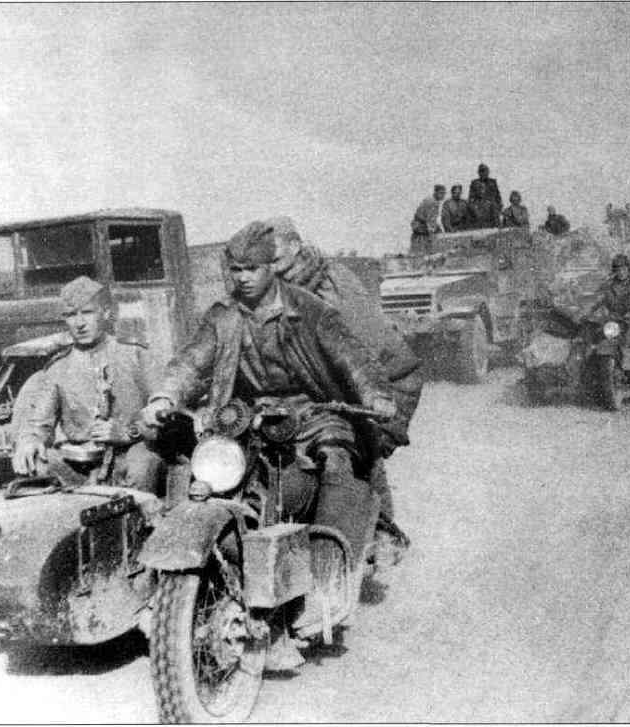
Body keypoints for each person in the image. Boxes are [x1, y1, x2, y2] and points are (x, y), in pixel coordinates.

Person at [141, 221, 400, 570]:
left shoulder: (310, 310)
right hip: (248, 415)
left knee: (335, 455)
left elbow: (352, 359)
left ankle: (332, 564)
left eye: (252, 269)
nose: (243, 278)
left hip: (314, 412)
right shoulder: (223, 316)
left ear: (271, 266)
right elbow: (190, 362)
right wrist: (164, 397)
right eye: (236, 270)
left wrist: (374, 395)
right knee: (206, 464)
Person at [265, 216, 423, 527]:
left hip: (381, 386)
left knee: (354, 455)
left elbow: (363, 356)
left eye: (275, 258)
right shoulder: (281, 287)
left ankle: (377, 536)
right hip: (331, 392)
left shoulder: (330, 287)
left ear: (296, 248)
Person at [12, 276, 164, 491]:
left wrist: (129, 432)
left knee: (144, 464)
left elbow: (163, 410)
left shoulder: (135, 355)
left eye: (87, 312)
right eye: (71, 315)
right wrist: (30, 440)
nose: (80, 323)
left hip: (129, 453)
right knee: (37, 463)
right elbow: (39, 422)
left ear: (106, 313)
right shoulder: (58, 368)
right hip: (79, 462)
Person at [410, 185, 446, 255]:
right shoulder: (433, 202)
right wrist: (433, 232)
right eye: (441, 193)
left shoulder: (431, 200)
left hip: (420, 226)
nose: (443, 196)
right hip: (420, 227)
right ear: (436, 192)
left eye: (444, 193)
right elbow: (430, 221)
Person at [467, 163, 502, 228]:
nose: (483, 173)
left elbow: (498, 196)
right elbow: (471, 198)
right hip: (479, 207)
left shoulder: (493, 182)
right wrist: (475, 208)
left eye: (485, 171)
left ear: (488, 172)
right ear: (479, 173)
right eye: (481, 171)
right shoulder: (474, 183)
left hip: (492, 207)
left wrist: (498, 206)